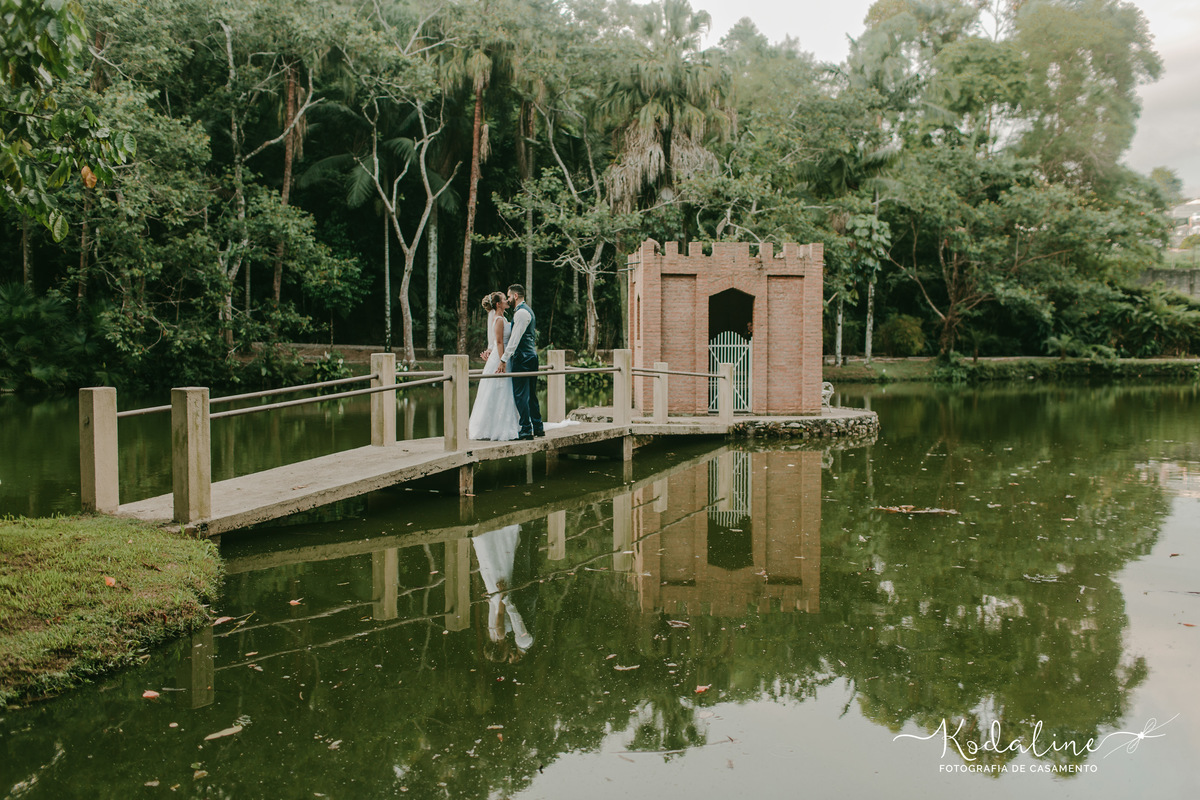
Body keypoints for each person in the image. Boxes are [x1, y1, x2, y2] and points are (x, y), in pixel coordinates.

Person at [468, 292, 520, 441]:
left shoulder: (503, 318)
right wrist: (502, 361)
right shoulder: (498, 320)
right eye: (504, 299)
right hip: (500, 358)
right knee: (498, 390)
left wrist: (490, 352)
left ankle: (505, 424)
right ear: (498, 304)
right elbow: (498, 342)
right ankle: (491, 428)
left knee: (504, 391)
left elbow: (495, 343)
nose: (507, 301)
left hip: (501, 356)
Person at [497, 284, 544, 440]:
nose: (508, 299)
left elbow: (515, 339)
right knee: (530, 394)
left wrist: (504, 359)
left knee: (521, 395)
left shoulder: (522, 313)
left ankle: (525, 429)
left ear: (515, 296)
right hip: (530, 356)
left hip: (523, 357)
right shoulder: (525, 311)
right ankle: (538, 427)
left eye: (509, 296)